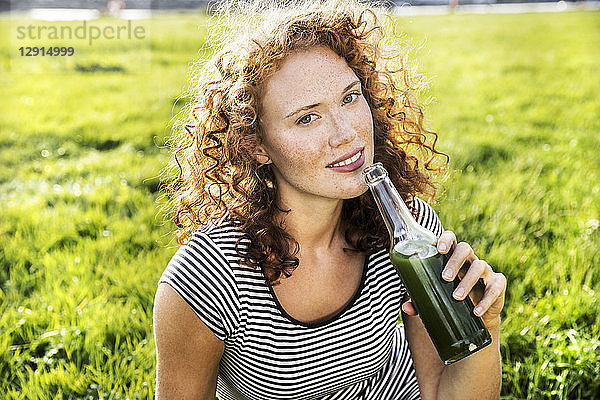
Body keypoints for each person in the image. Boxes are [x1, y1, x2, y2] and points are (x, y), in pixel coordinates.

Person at [153, 0, 507, 399]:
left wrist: (485, 325)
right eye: (307, 117)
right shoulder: (209, 277)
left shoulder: (409, 235)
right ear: (256, 145)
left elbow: (445, 394)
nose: (346, 134)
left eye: (350, 98)